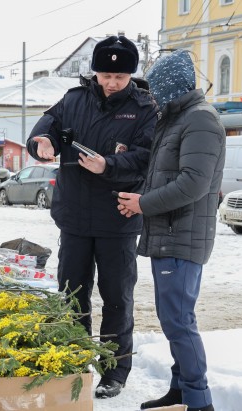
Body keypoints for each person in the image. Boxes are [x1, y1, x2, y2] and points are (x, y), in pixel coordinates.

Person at [26, 35, 158, 398]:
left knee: (116, 297)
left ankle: (114, 371)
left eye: (119, 76)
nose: (112, 82)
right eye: (105, 75)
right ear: (95, 72)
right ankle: (74, 360)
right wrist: (43, 142)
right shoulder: (74, 99)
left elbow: (148, 157)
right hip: (74, 217)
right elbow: (45, 125)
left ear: (130, 74)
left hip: (118, 217)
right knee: (71, 293)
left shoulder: (145, 106)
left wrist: (108, 165)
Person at [117, 50, 224, 411]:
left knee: (179, 321)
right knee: (173, 319)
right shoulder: (177, 119)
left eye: (155, 89)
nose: (151, 97)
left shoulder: (200, 121)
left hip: (181, 236)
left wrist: (142, 204)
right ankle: (181, 391)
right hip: (169, 234)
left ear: (170, 86)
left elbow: (193, 183)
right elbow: (163, 174)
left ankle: (199, 401)